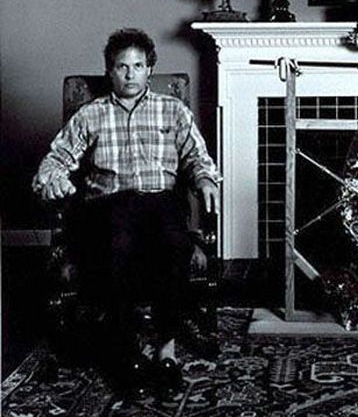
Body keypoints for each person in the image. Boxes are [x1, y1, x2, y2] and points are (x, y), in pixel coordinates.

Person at [32, 28, 221, 396]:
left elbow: (197, 157)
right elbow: (55, 161)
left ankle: (166, 353)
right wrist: (53, 179)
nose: (130, 74)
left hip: (161, 203)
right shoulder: (91, 114)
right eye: (122, 66)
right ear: (110, 71)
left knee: (173, 243)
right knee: (118, 240)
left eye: (138, 66)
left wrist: (205, 179)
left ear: (150, 69)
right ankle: (127, 352)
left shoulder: (173, 110)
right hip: (110, 206)